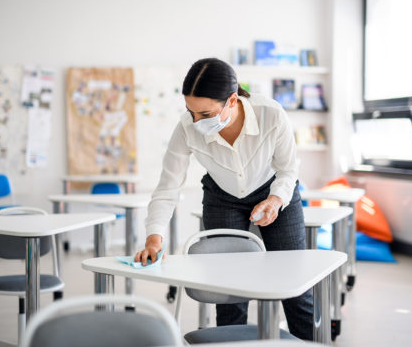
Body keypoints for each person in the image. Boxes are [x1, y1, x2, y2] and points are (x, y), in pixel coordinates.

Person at [134, 57, 313, 340]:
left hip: (274, 193)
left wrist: (276, 200)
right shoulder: (186, 128)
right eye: (190, 112)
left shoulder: (271, 114)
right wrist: (154, 237)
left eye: (205, 115)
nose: (196, 122)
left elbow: (288, 169)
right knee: (229, 289)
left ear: (232, 100)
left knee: (296, 286)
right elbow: (168, 187)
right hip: (222, 197)